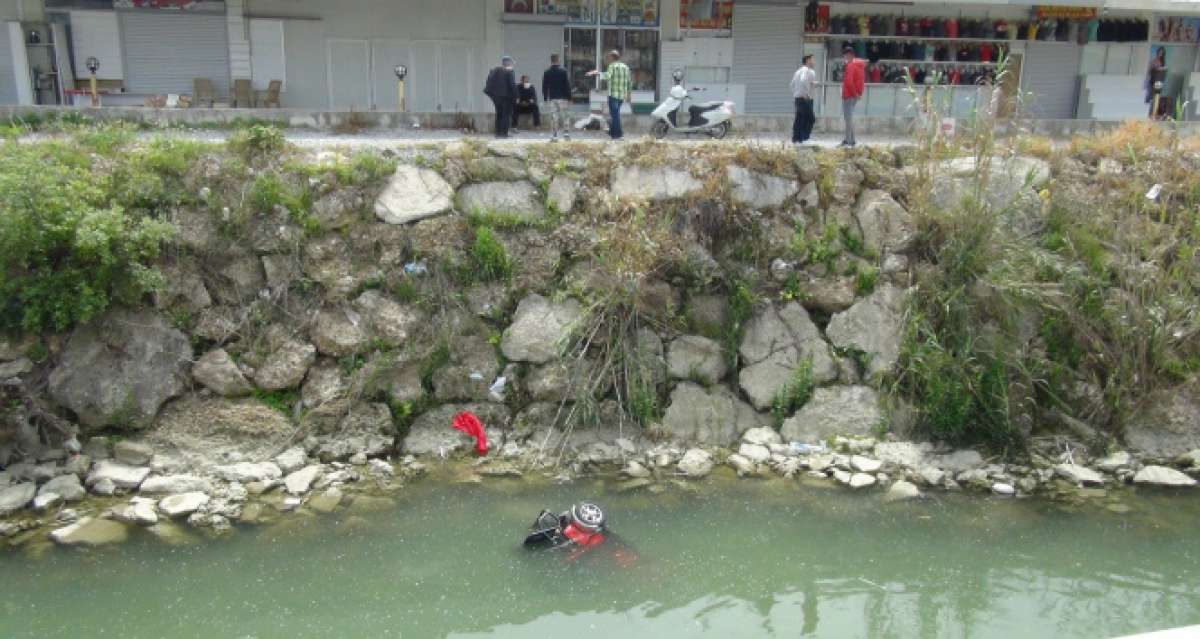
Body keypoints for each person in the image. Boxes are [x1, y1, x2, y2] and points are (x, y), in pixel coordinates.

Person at [587, 50, 632, 140]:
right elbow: (629, 81)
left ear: (612, 58)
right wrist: (629, 94)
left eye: (609, 57)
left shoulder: (612, 66)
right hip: (621, 95)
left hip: (613, 95)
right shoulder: (625, 67)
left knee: (615, 115)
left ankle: (618, 135)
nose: (608, 59)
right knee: (615, 114)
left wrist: (596, 73)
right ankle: (612, 132)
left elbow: (607, 76)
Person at [484, 55, 517, 138]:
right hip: (506, 97)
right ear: (508, 63)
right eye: (511, 63)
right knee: (506, 114)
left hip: (495, 97)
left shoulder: (494, 70)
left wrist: (493, 95)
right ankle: (504, 133)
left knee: (499, 114)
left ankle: (498, 133)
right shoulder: (509, 71)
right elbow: (512, 85)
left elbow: (488, 82)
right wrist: (516, 96)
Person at [542, 54, 572, 140]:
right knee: (565, 115)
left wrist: (545, 98)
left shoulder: (547, 72)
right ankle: (566, 133)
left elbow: (544, 86)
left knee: (554, 116)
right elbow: (567, 85)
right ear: (558, 60)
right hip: (563, 97)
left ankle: (554, 134)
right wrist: (569, 97)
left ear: (551, 61)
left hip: (552, 97)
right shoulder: (563, 71)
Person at [840, 46, 865, 147]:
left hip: (849, 94)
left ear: (849, 55)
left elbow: (849, 82)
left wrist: (854, 94)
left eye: (845, 55)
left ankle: (848, 140)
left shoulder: (850, 66)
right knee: (849, 118)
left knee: (848, 118)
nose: (844, 57)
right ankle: (851, 139)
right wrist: (857, 94)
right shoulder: (859, 65)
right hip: (855, 94)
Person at [791, 54, 817, 144]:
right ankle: (805, 138)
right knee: (810, 118)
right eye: (812, 60)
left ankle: (796, 139)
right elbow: (803, 81)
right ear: (807, 61)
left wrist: (797, 93)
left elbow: (792, 84)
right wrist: (805, 93)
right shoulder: (807, 70)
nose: (814, 61)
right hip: (804, 98)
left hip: (797, 98)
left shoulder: (798, 71)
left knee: (799, 119)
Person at [1146, 47, 1167, 119]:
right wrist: (1156, 69)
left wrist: (1162, 69)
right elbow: (1149, 70)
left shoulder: (1163, 61)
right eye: (1159, 52)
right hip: (1153, 80)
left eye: (1162, 53)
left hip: (1159, 81)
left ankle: (1154, 113)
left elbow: (1164, 72)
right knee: (1151, 97)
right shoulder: (1154, 61)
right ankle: (1149, 113)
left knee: (1157, 97)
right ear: (1157, 52)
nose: (1160, 54)